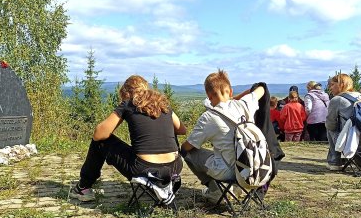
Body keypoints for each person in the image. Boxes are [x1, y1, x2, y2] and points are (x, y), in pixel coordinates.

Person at [70, 75, 187, 202]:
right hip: (174, 167)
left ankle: (83, 188)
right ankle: (163, 181)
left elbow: (99, 133)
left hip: (143, 169)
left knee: (100, 141)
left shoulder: (128, 103)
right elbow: (182, 130)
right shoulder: (163, 104)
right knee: (172, 133)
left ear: (126, 93)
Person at [180, 70, 265, 202]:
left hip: (228, 171)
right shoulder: (245, 104)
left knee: (188, 152)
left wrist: (181, 147)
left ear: (208, 96)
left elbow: (189, 145)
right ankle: (236, 187)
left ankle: (215, 191)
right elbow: (261, 89)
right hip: (252, 166)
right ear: (230, 91)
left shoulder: (209, 117)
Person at [325, 73, 361, 171]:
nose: (330, 87)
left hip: (350, 141)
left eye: (333, 84)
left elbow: (330, 124)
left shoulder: (338, 99)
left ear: (341, 84)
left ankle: (334, 162)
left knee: (330, 128)